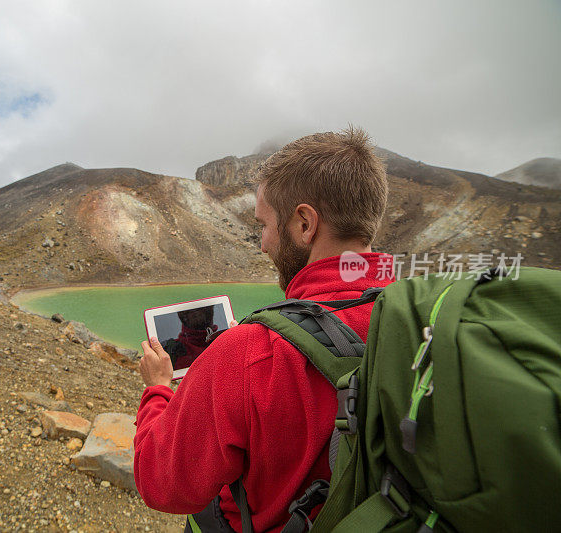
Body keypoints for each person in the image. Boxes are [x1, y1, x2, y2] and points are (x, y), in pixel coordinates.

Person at [134, 127, 395, 532]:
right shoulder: (427, 323)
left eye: (265, 224)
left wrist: (158, 389)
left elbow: (161, 483)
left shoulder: (248, 353)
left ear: (305, 224)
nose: (263, 243)